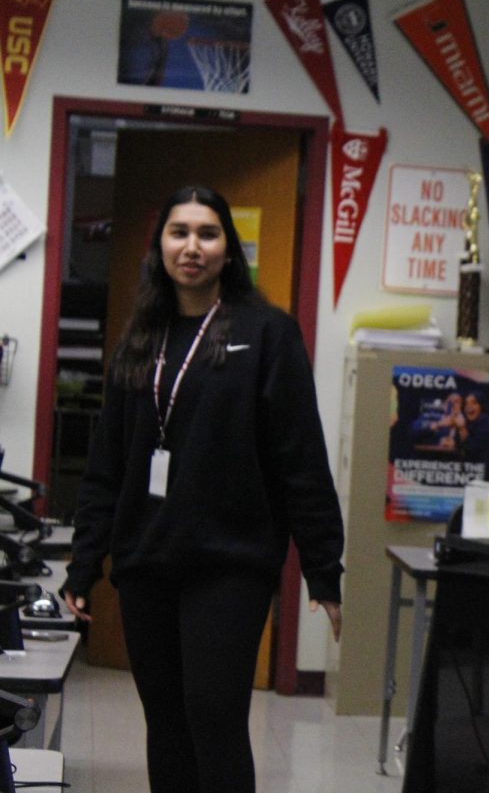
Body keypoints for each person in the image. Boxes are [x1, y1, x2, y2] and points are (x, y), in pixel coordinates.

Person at [62, 185, 345, 793]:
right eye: (179, 232)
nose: (192, 246)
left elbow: (301, 458)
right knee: (165, 723)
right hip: (146, 563)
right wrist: (82, 564)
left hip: (230, 563)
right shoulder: (139, 340)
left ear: (227, 249)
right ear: (159, 245)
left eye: (208, 233)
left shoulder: (267, 334)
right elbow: (107, 467)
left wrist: (324, 568)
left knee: (214, 717)